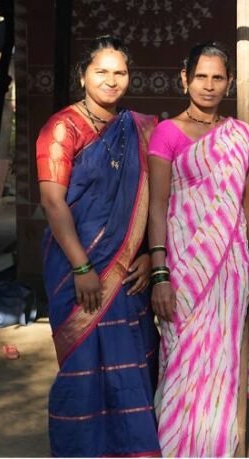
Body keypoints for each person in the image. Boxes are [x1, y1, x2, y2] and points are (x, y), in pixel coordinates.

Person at [37, 35, 160, 457]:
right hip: (77, 271)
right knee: (85, 369)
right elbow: (53, 201)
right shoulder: (60, 129)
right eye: (101, 71)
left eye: (120, 72)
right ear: (83, 76)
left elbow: (155, 200)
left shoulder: (142, 129)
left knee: (133, 364)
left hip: (128, 272)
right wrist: (81, 266)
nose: (111, 80)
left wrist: (146, 254)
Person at [147, 42, 249, 457]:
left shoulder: (241, 136)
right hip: (182, 269)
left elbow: (247, 205)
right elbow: (157, 205)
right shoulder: (167, 132)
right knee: (180, 367)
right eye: (201, 77)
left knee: (222, 369)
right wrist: (160, 273)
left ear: (228, 82)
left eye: (217, 78)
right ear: (184, 78)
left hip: (229, 271)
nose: (209, 86)